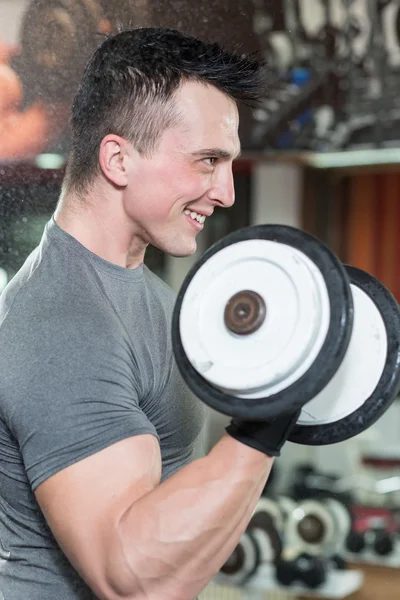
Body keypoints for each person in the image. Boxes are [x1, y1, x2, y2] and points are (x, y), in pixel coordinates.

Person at [0, 27, 300, 600]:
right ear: (118, 159)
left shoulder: (155, 301)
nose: (226, 192)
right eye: (208, 160)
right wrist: (266, 421)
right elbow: (129, 578)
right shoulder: (61, 326)